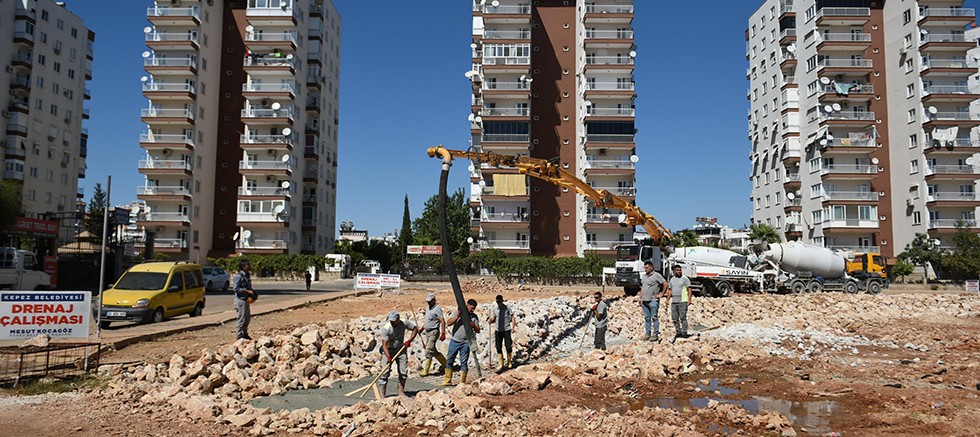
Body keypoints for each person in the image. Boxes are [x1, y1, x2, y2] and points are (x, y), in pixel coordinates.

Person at [378, 310, 419, 397]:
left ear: (398, 319)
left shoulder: (404, 323)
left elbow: (415, 329)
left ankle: (401, 392)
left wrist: (409, 340)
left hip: (400, 349)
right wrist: (388, 357)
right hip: (388, 350)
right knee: (385, 372)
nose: (392, 322)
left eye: (394, 321)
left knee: (403, 372)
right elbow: (384, 345)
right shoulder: (386, 328)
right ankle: (382, 395)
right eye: (391, 321)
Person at [441, 299, 480, 386]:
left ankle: (462, 382)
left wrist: (474, 326)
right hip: (455, 340)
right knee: (450, 360)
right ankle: (447, 380)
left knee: (464, 362)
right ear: (467, 305)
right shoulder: (458, 312)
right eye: (471, 308)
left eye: (474, 309)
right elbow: (448, 323)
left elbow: (478, 330)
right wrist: (457, 316)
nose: (472, 310)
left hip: (466, 343)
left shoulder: (474, 317)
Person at [639, 260, 667, 341]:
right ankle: (647, 334)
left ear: (651, 267)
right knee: (647, 318)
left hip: (653, 300)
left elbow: (665, 284)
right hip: (645, 300)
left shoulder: (657, 275)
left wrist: (661, 294)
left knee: (654, 317)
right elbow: (642, 287)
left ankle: (655, 334)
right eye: (645, 268)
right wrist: (640, 298)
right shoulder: (644, 276)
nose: (645, 269)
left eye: (647, 268)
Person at [420, 293, 447, 377]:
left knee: (428, 350)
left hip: (434, 332)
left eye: (430, 301)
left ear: (434, 300)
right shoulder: (428, 308)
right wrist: (422, 328)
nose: (428, 303)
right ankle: (446, 364)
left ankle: (426, 371)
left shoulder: (437, 309)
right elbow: (427, 321)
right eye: (427, 301)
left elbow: (442, 321)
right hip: (427, 332)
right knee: (433, 351)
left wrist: (443, 333)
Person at [487, 294, 516, 370]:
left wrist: (513, 327)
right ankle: (501, 364)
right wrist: (491, 321)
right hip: (498, 331)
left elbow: (512, 317)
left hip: (506, 330)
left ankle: (509, 362)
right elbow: (495, 319)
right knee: (498, 347)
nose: (499, 303)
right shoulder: (495, 309)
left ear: (502, 301)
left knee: (508, 346)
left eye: (500, 301)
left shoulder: (507, 308)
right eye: (497, 302)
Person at [668, 264, 694, 341]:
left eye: (680, 270)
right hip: (674, 301)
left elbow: (689, 289)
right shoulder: (672, 279)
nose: (679, 271)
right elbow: (670, 290)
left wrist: (689, 299)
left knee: (683, 317)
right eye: (677, 270)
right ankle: (678, 331)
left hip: (683, 301)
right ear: (674, 271)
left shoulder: (685, 279)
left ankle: (684, 332)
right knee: (674, 318)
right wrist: (667, 299)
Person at [233, 260, 256, 341]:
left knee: (247, 318)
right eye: (247, 265)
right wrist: (246, 291)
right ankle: (239, 336)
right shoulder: (239, 276)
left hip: (246, 299)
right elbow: (236, 289)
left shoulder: (247, 276)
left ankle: (245, 334)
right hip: (240, 300)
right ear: (243, 267)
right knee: (241, 318)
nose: (249, 266)